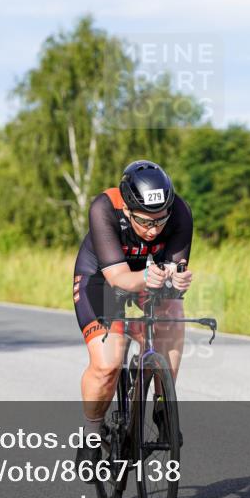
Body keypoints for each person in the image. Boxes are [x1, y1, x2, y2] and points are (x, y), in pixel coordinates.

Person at [72, 160, 193, 466]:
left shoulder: (179, 212)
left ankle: (164, 404)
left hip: (149, 277)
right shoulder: (104, 208)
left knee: (173, 315)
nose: (153, 230)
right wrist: (151, 277)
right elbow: (119, 280)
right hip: (102, 279)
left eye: (160, 221)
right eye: (144, 222)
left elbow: (175, 275)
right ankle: (92, 435)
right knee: (108, 366)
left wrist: (178, 280)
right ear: (127, 209)